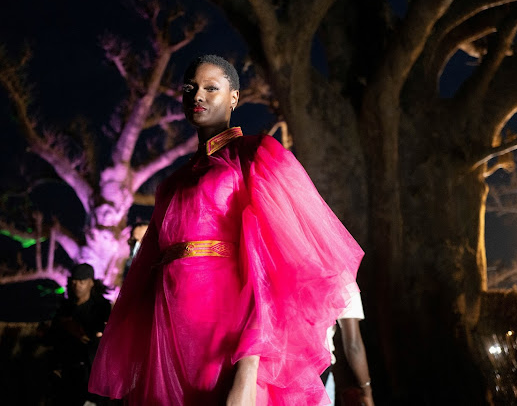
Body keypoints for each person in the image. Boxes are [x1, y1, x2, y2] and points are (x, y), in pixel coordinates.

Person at [89, 55, 364, 405]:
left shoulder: (256, 156)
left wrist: (248, 370)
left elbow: (272, 272)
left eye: (211, 88)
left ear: (234, 97)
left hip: (229, 335)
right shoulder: (171, 183)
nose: (197, 96)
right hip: (168, 336)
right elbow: (145, 277)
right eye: (190, 88)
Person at [50, 263, 112, 406]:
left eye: (82, 282)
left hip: (91, 374)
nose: (77, 285)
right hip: (66, 372)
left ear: (91, 282)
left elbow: (104, 338)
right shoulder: (65, 308)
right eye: (74, 282)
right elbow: (54, 337)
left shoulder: (101, 307)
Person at [322, 290, 374, 406]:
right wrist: (366, 392)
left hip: (279, 374)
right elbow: (353, 345)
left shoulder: (279, 272)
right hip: (318, 375)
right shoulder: (342, 280)